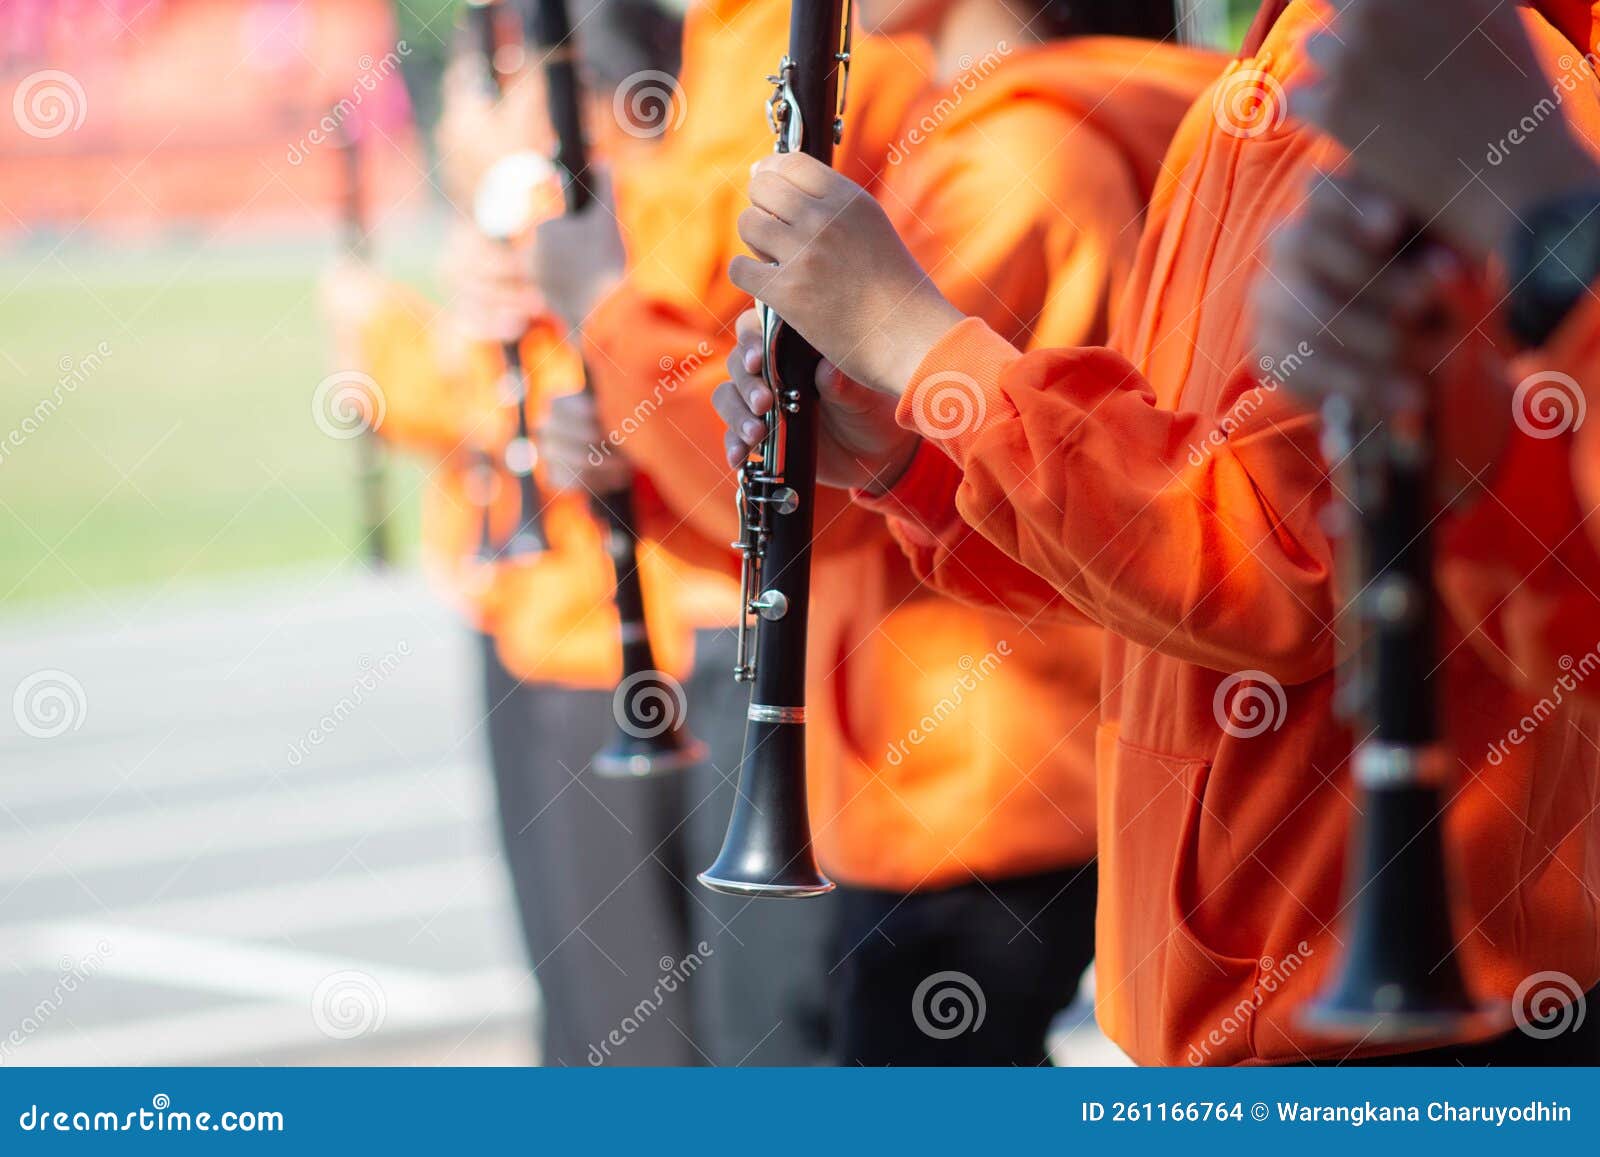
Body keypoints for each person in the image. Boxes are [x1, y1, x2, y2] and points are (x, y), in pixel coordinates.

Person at [715, 0, 1600, 1064]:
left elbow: (1275, 569)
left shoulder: (1445, 89)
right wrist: (920, 460)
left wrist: (920, 348)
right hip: (1252, 986)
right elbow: (1171, 530)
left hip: (1373, 1006)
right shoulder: (1273, 83)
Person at [564, 0, 1220, 1064]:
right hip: (990, 755)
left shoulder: (1020, 154)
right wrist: (647, 468)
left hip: (978, 772)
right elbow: (882, 470)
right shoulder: (990, 128)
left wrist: (608, 319)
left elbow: (839, 512)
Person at [325, 0, 710, 1066]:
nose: (453, 113)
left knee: (624, 1021)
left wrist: (375, 337)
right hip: (557, 624)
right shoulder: (560, 194)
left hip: (602, 642)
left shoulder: (573, 196)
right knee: (589, 1005)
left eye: (473, 81)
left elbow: (514, 419)